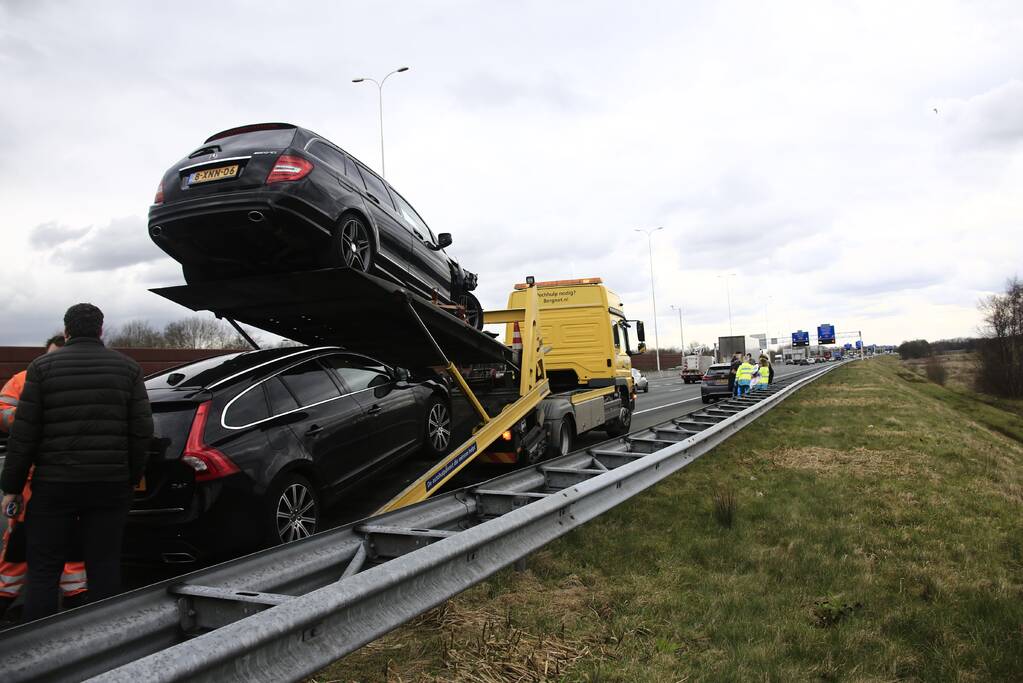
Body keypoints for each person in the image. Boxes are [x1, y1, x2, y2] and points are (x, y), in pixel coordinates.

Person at [0, 304, 153, 621]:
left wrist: (12, 488)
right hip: (110, 486)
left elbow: (24, 436)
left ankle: (40, 645)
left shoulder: (41, 369)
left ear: (66, 331)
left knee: (43, 566)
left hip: (54, 487)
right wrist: (131, 477)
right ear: (100, 331)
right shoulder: (128, 369)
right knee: (105, 563)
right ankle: (105, 638)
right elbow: (141, 432)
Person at [0, 336, 88, 619]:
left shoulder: (76, 383)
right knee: (19, 541)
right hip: (31, 479)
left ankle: (75, 596)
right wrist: (31, 417)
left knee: (71, 540)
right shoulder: (22, 380)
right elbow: (3, 412)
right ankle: (6, 595)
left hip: (61, 475)